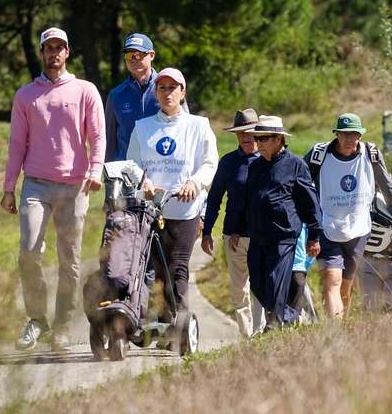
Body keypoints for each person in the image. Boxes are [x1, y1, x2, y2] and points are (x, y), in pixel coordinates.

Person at [1, 27, 105, 350]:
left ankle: (61, 325)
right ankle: (36, 319)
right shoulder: (26, 95)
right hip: (35, 184)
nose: (54, 53)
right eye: (49, 48)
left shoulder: (85, 91)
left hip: (74, 186)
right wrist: (8, 187)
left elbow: (97, 136)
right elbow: (17, 143)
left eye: (60, 48)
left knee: (69, 260)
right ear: (42, 52)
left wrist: (95, 169)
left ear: (68, 52)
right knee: (29, 251)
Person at [126, 68, 218, 315]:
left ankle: (180, 322)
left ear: (183, 92)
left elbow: (210, 163)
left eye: (173, 88)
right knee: (157, 267)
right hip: (151, 209)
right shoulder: (143, 127)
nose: (167, 93)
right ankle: (163, 319)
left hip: (185, 209)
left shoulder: (198, 125)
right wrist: (142, 182)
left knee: (177, 266)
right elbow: (132, 163)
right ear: (156, 92)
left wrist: (194, 183)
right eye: (162, 88)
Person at [304, 113, 392, 319]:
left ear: (360, 135)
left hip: (358, 228)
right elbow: (300, 182)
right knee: (332, 278)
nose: (350, 139)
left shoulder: (371, 154)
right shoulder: (319, 154)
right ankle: (335, 330)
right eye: (345, 134)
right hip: (327, 225)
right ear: (337, 134)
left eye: (355, 134)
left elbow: (387, 185)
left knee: (346, 286)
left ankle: (343, 324)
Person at [242, 116, 322, 330]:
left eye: (263, 139)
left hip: (283, 236)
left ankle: (274, 325)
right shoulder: (255, 166)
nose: (258, 144)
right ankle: (289, 315)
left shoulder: (296, 165)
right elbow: (250, 199)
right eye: (256, 138)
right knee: (258, 283)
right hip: (258, 235)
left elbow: (310, 202)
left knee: (276, 280)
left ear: (278, 139)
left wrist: (314, 235)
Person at [201, 108, 265, 337]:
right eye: (240, 134)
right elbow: (215, 198)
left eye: (250, 132)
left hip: (263, 235)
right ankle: (248, 335)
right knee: (240, 290)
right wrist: (207, 230)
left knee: (261, 286)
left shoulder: (270, 160)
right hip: (235, 236)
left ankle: (261, 333)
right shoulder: (228, 162)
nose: (246, 137)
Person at [105, 33, 188, 162]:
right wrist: (109, 173)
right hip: (125, 173)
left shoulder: (169, 86)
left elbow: (185, 126)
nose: (133, 59)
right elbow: (109, 140)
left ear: (152, 55)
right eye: (128, 55)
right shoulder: (116, 95)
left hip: (163, 168)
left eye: (139, 54)